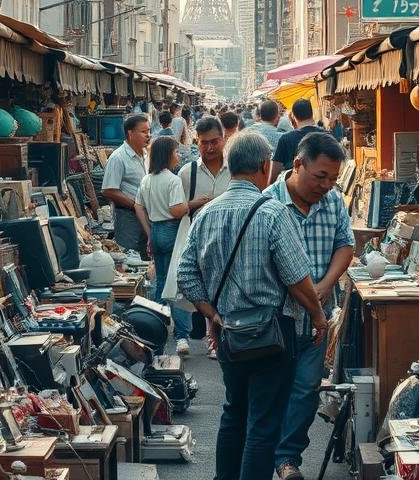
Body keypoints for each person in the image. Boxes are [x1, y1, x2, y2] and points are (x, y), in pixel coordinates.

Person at [178, 133, 327, 480]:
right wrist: (318, 317)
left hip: (231, 335)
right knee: (263, 424)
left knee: (234, 414)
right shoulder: (272, 212)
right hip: (272, 336)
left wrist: (212, 315)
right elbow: (297, 277)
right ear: (264, 165)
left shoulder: (207, 212)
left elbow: (185, 274)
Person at [263, 133, 353, 480]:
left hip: (317, 320)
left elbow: (345, 244)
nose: (328, 185)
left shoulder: (333, 202)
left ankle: (287, 459)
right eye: (321, 177)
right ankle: (264, 453)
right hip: (277, 318)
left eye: (333, 178)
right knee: (274, 390)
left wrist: (326, 284)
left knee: (305, 390)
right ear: (298, 164)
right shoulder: (269, 203)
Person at [178, 116, 234, 358]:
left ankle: (219, 338)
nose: (210, 147)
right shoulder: (186, 173)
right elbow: (178, 209)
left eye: (215, 141)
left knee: (223, 292)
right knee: (200, 292)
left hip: (231, 240)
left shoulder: (235, 170)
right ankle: (205, 335)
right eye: (204, 143)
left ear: (224, 139)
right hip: (198, 243)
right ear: (196, 142)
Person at [135, 136, 192, 355]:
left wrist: (149, 231)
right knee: (176, 286)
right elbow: (177, 210)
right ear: (167, 155)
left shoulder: (147, 179)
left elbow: (138, 206)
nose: (178, 156)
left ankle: (155, 330)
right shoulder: (172, 180)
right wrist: (194, 204)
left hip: (157, 231)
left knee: (160, 284)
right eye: (176, 153)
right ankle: (181, 337)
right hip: (171, 231)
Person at [101, 114, 151, 254]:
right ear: (130, 133)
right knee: (130, 255)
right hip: (128, 217)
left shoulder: (145, 154)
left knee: (144, 256)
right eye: (143, 132)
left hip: (145, 216)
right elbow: (108, 190)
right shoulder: (118, 157)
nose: (148, 135)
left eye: (149, 131)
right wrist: (135, 205)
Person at [270, 98, 324, 183]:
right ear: (312, 114)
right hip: (321, 187)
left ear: (294, 117)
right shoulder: (326, 136)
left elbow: (274, 172)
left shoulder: (286, 139)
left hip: (293, 191)